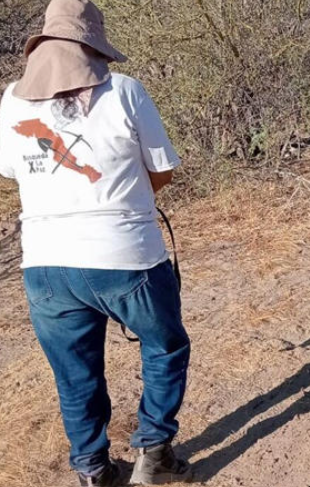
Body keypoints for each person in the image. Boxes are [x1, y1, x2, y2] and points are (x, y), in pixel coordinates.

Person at [0, 1, 193, 485]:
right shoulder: (125, 91)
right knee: (165, 346)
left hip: (44, 264)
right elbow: (162, 168)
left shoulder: (10, 101)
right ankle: (154, 453)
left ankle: (91, 469)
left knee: (75, 373)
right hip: (126, 255)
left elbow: (10, 171)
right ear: (92, 45)